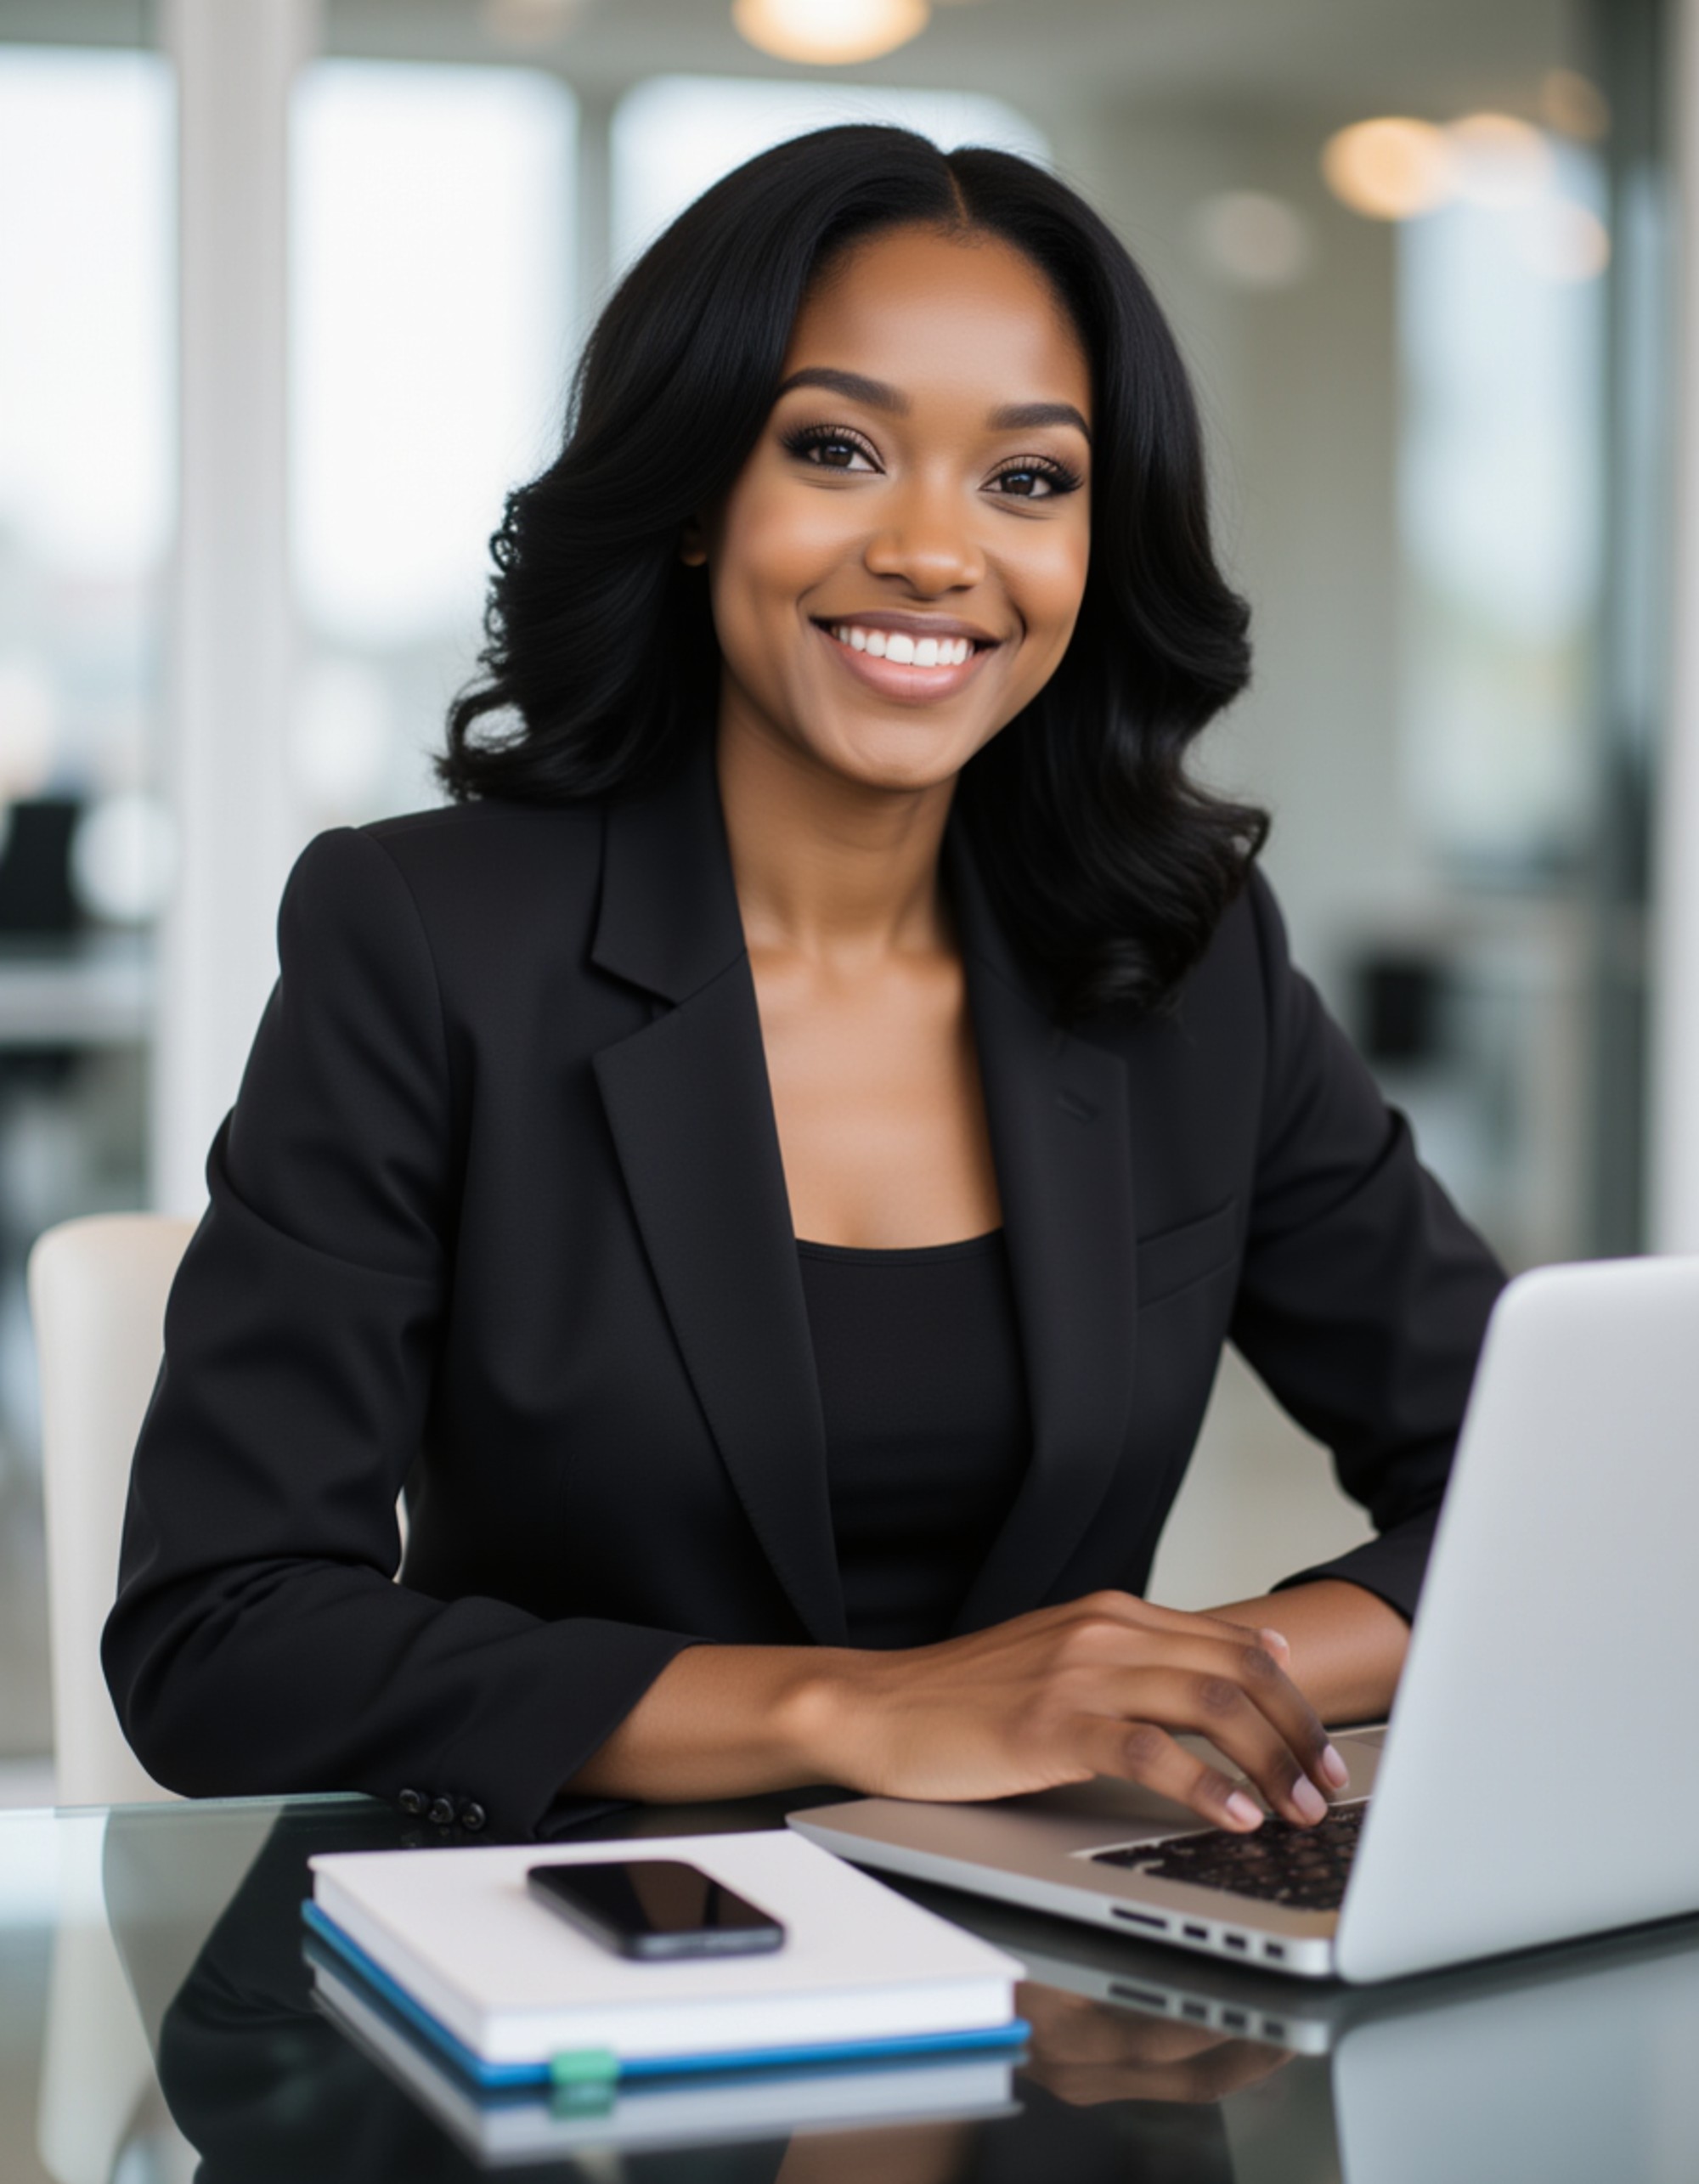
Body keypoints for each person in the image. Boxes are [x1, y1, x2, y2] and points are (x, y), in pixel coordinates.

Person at [104, 127, 1504, 1845]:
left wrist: (1190, 1676)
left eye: (1028, 478)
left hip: (1064, 1993)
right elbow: (223, 1635)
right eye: (836, 448)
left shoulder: (1191, 958)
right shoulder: (426, 935)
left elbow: (1547, 1490)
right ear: (697, 496)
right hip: (577, 1980)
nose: (934, 551)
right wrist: (865, 1708)